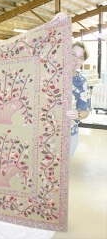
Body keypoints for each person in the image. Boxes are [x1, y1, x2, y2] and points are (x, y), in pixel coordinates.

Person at [52, 13, 91, 158]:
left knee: (59, 177)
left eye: (81, 58)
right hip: (47, 134)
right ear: (66, 53)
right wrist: (56, 23)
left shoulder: (81, 82)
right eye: (73, 55)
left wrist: (77, 114)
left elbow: (86, 111)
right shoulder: (51, 74)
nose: (76, 60)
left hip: (70, 135)